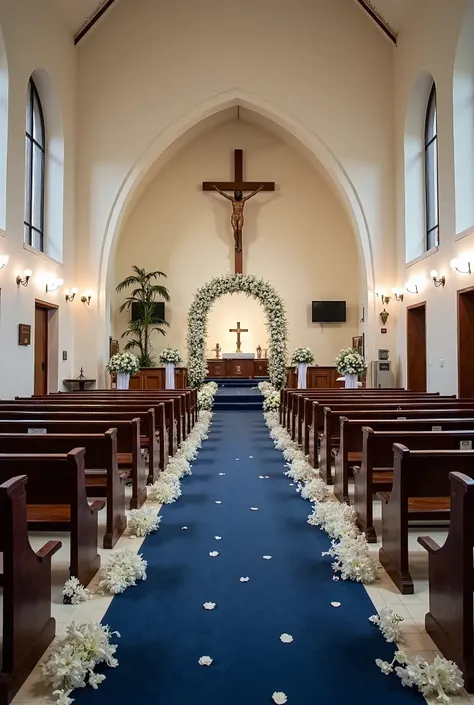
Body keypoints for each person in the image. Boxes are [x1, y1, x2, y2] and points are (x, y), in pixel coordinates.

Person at [212, 184, 264, 252]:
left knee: (239, 230)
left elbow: (252, 194)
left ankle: (240, 245)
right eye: (237, 193)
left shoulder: (243, 200)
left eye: (239, 193)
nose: (238, 194)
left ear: (241, 194)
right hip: (234, 216)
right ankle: (236, 243)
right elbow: (223, 194)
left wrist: (259, 189)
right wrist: (216, 188)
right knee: (235, 230)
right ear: (235, 194)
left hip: (240, 217)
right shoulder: (232, 199)